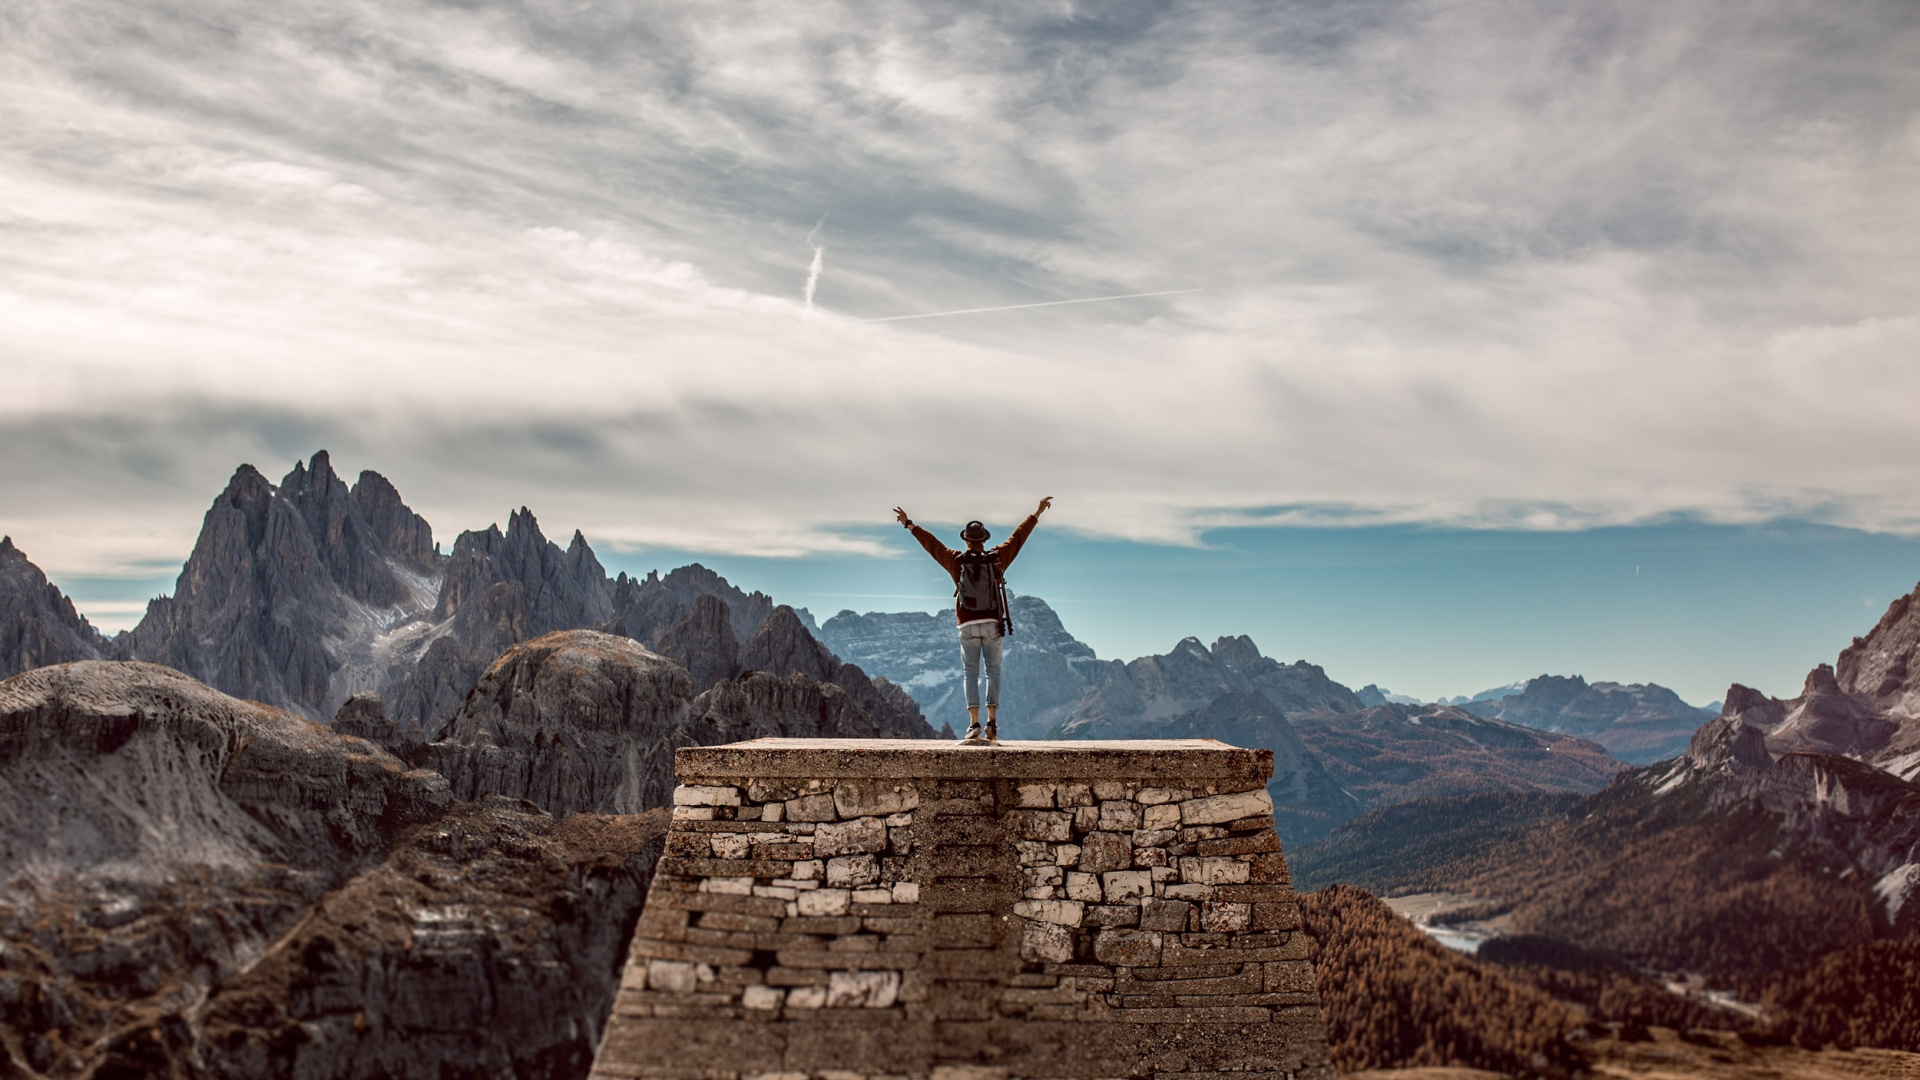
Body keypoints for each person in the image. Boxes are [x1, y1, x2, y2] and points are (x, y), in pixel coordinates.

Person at [893, 497, 1053, 742]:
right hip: (992, 622)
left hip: (966, 624)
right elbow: (1018, 537)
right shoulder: (997, 558)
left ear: (966, 540)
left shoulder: (955, 561)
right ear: (984, 540)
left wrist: (910, 525)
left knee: (970, 672)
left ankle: (973, 723)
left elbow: (932, 546)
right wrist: (1037, 512)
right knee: (994, 671)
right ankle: (992, 722)